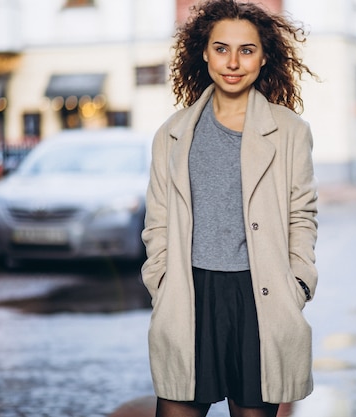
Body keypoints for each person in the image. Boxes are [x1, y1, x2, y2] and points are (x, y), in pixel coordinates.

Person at [140, 1, 319, 416]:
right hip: (190, 294)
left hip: (262, 297)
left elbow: (302, 216)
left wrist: (299, 283)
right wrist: (161, 281)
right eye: (221, 49)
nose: (233, 63)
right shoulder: (172, 134)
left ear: (263, 56)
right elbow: (158, 221)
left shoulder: (290, 132)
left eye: (246, 50)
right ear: (204, 53)